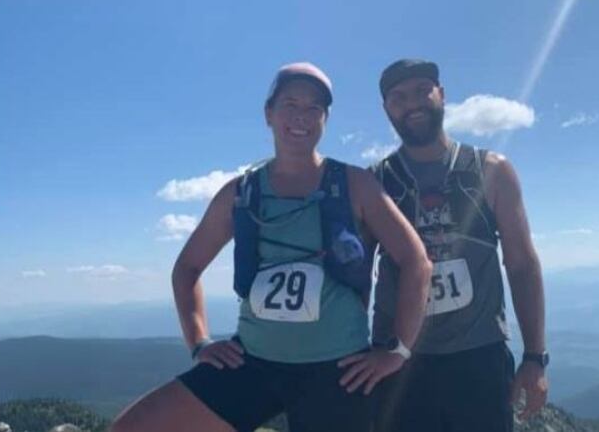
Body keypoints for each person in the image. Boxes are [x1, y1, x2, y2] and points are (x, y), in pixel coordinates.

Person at [110, 62, 431, 432]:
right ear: (268, 114)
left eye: (314, 108)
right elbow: (186, 270)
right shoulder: (240, 193)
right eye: (290, 104)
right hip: (252, 363)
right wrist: (199, 342)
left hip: (340, 370)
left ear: (326, 119)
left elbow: (416, 261)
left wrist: (397, 351)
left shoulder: (355, 184)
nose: (301, 116)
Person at [370, 59, 549, 432]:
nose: (412, 103)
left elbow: (522, 265)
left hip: (478, 359)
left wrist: (535, 357)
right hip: (399, 360)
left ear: (442, 94)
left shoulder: (491, 170)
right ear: (387, 109)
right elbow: (352, 274)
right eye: (399, 97)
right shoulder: (374, 183)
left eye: (422, 91)